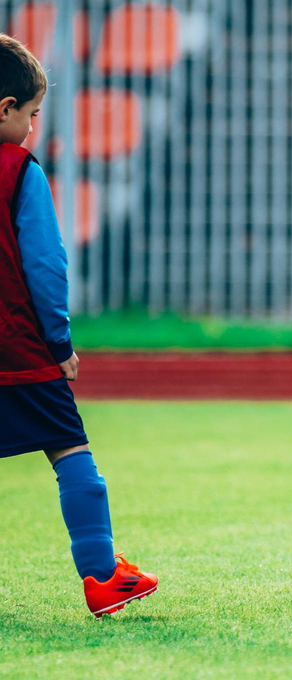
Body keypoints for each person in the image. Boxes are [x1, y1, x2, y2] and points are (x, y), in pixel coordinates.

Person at [0, 33, 158, 618]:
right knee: (71, 454)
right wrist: (59, 341)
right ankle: (102, 576)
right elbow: (46, 264)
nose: (33, 126)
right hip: (17, 348)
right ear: (6, 109)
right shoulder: (18, 170)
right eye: (33, 113)